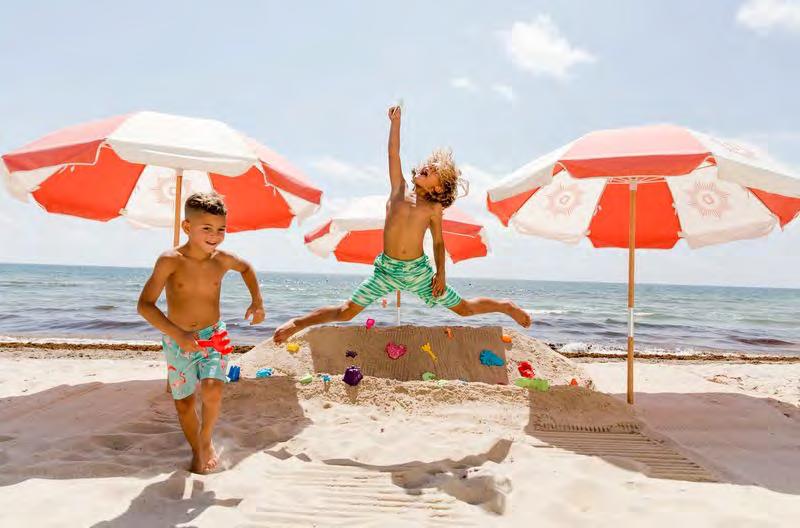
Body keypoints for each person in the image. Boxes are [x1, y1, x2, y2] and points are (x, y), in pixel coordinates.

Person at [273, 105, 530, 344]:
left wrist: (441, 274)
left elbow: (439, 242)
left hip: (418, 273)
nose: (427, 166)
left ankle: (505, 306)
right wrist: (395, 123)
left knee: (463, 309)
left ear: (438, 188)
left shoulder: (433, 209)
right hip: (386, 270)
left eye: (434, 170)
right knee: (346, 311)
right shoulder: (399, 189)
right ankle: (297, 323)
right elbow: (393, 153)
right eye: (428, 165)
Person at [137, 192, 265, 473]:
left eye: (221, 229)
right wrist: (178, 335)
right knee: (184, 404)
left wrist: (257, 301)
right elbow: (144, 305)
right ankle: (197, 448)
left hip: (213, 335)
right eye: (207, 228)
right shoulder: (170, 260)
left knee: (212, 389)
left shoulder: (223, 259)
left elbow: (246, 268)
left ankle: (205, 441)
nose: (215, 236)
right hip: (177, 340)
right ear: (187, 227)